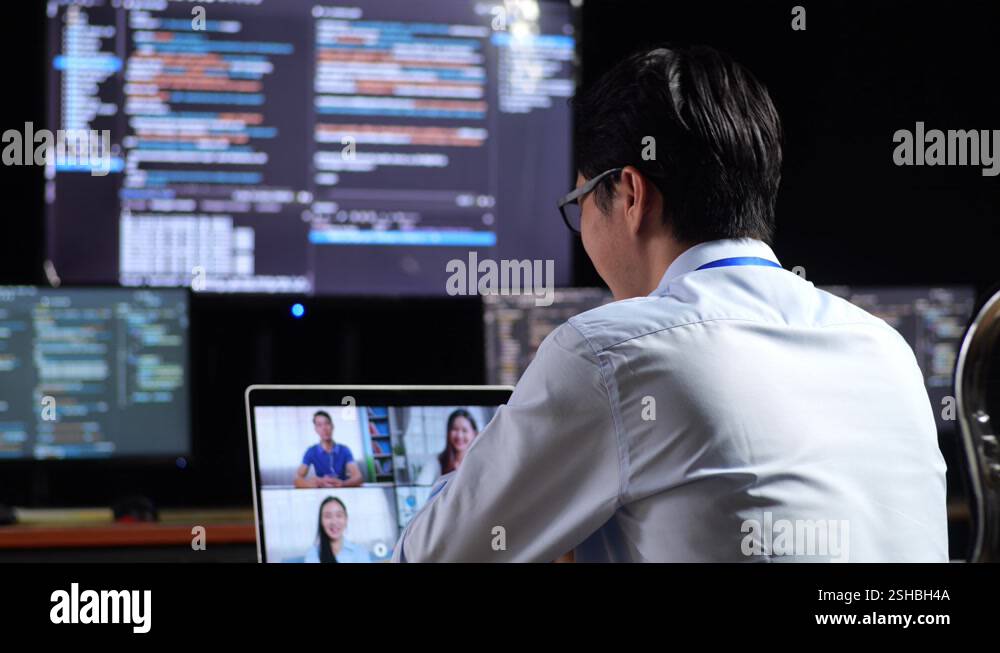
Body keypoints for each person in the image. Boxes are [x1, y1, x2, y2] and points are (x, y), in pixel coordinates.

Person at [392, 45, 948, 562]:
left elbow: (433, 556)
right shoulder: (888, 350)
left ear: (631, 195)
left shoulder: (606, 355)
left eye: (580, 202)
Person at [295, 410, 363, 488]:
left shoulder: (344, 450)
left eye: (327, 423)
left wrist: (343, 484)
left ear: (332, 426)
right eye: (319, 425)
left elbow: (358, 477)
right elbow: (297, 479)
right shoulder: (311, 451)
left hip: (342, 490)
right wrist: (315, 484)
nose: (324, 428)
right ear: (316, 429)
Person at [416, 409, 479, 485]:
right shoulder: (436, 462)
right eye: (455, 429)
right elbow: (420, 487)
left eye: (464, 430)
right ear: (448, 432)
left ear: (474, 434)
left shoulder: (481, 463)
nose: (459, 435)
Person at [304, 497, 373, 563]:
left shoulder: (359, 552)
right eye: (328, 516)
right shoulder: (313, 554)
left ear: (346, 519)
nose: (334, 522)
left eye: (339, 515)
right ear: (321, 521)